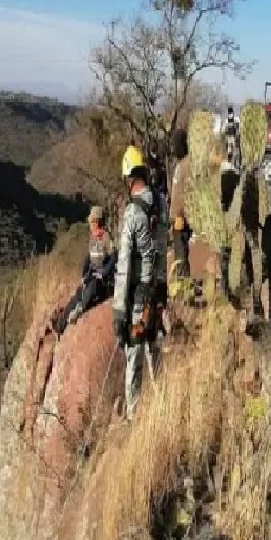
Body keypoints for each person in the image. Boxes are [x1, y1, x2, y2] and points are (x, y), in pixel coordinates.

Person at [113, 146, 160, 421]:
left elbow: (124, 265)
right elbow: (162, 244)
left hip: (137, 295)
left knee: (134, 354)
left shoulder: (132, 212)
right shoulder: (160, 203)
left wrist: (119, 311)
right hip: (156, 289)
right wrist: (162, 286)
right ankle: (161, 398)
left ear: (129, 178)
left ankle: (134, 416)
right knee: (154, 345)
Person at [50, 206, 116, 335]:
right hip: (93, 275)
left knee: (91, 288)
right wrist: (84, 274)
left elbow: (114, 258)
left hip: (103, 280)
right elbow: (89, 258)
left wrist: (103, 273)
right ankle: (60, 325)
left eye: (92, 222)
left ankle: (80, 310)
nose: (90, 225)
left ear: (97, 222)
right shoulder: (93, 238)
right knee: (78, 293)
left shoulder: (106, 238)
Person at [168, 128, 194, 299]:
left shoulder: (187, 164)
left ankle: (184, 289)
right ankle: (183, 285)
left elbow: (186, 193)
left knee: (181, 253)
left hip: (181, 218)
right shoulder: (180, 164)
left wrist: (180, 215)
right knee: (179, 252)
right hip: (177, 217)